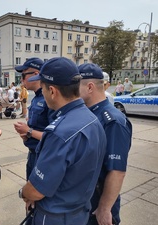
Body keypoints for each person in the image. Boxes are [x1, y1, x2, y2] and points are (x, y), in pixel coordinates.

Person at [19, 57, 106, 225]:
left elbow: (36, 190)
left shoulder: (60, 132)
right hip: (79, 212)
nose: (42, 93)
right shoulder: (93, 120)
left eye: (43, 88)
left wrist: (23, 193)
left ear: (52, 91)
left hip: (54, 217)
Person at [78, 63, 132, 225]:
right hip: (84, 199)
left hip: (97, 202)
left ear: (90, 87)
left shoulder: (112, 121)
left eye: (74, 87)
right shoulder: (87, 113)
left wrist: (104, 208)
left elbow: (117, 170)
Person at [13, 57, 52, 180]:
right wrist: (26, 134)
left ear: (36, 74)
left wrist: (28, 131)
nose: (21, 79)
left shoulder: (50, 99)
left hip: (44, 158)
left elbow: (55, 137)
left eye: (23, 75)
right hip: (33, 154)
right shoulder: (36, 98)